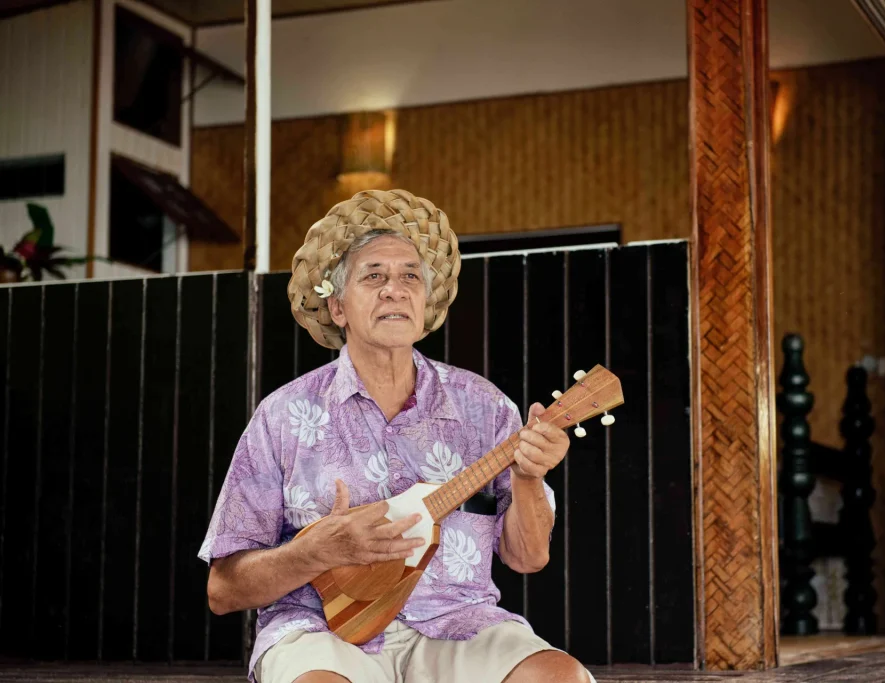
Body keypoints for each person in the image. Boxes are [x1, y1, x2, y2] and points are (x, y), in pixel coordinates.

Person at [199, 190, 592, 683]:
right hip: (325, 631)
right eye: (374, 276)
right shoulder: (283, 416)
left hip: (457, 622)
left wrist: (530, 477)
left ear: (424, 303)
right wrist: (316, 552)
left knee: (560, 678)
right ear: (338, 308)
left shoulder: (484, 406)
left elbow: (529, 557)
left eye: (410, 276)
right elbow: (222, 590)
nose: (395, 289)